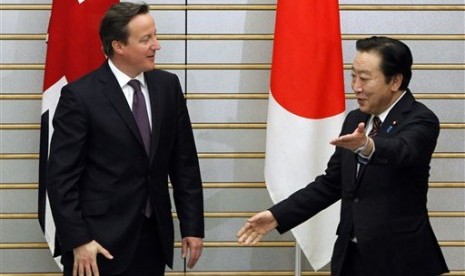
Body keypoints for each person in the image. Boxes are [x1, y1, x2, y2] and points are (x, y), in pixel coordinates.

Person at [237, 36, 449, 276]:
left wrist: (368, 146)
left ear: (395, 80)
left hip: (400, 260)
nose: (356, 86)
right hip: (351, 259)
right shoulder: (355, 120)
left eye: (365, 78)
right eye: (353, 76)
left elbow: (403, 150)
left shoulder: (421, 119)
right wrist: (278, 215)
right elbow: (331, 183)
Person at [46, 2, 204, 276]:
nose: (157, 45)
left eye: (155, 35)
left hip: (153, 240)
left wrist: (192, 227)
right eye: (146, 39)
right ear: (118, 46)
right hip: (97, 245)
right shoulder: (80, 97)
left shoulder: (168, 87)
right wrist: (79, 239)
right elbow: (61, 179)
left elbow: (184, 164)